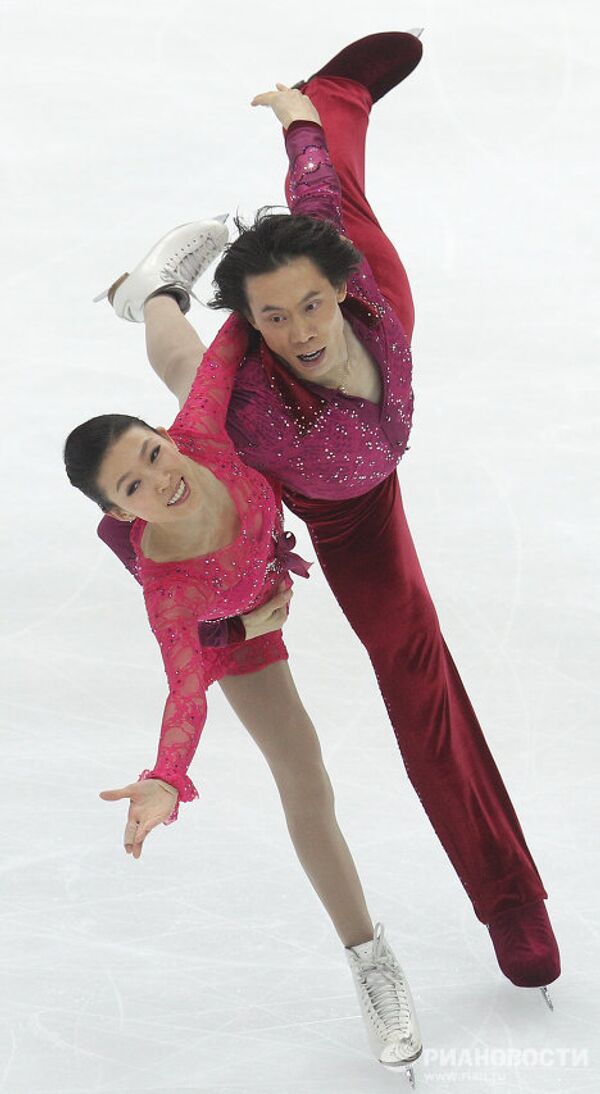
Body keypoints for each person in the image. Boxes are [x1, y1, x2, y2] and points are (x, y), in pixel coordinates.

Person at [95, 31, 560, 1013]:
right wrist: (254, 592)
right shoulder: (242, 388)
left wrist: (305, 123)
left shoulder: (367, 296)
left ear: (338, 292)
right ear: (252, 327)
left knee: (338, 200)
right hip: (298, 494)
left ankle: (336, 90)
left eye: (311, 305)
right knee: (178, 365)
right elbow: (232, 515)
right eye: (275, 318)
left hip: (366, 505)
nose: (301, 331)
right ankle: (155, 294)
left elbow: (316, 205)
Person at [65, 236, 422, 1074]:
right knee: (305, 774)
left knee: (194, 357)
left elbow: (242, 328)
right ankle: (372, 964)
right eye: (135, 488)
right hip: (230, 621)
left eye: (152, 455)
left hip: (256, 550)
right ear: (123, 511)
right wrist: (163, 776)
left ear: (161, 438)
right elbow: (183, 692)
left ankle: (152, 290)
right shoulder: (172, 592)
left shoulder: (196, 440)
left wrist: (267, 262)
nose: (161, 481)